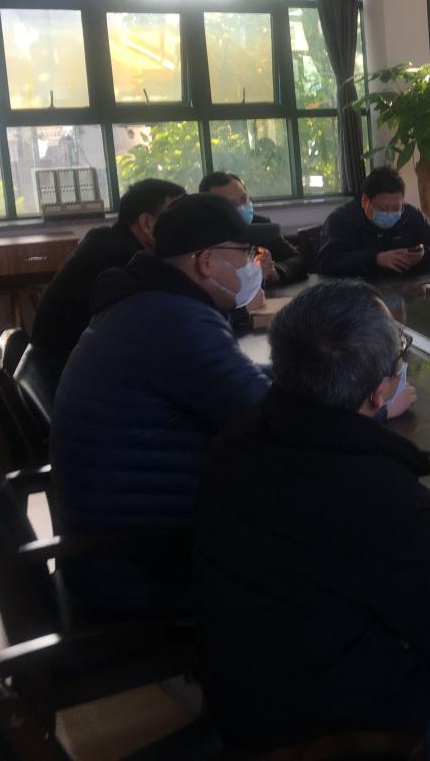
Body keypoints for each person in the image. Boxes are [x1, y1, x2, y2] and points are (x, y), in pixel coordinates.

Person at [194, 279, 430, 760]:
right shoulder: (376, 486)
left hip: (238, 692)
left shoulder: (236, 440)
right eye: (400, 360)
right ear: (380, 392)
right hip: (332, 726)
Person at [49, 193, 281, 615]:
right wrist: (367, 403)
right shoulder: (176, 319)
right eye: (246, 253)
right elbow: (273, 417)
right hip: (145, 567)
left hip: (114, 547)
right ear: (206, 261)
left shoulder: (147, 301)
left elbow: (241, 382)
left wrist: (308, 377)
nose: (252, 264)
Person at [30, 178, 185, 390]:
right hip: (72, 384)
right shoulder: (124, 262)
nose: (187, 227)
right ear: (147, 224)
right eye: (179, 218)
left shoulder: (105, 240)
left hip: (57, 375)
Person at [317, 166, 430, 278]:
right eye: (383, 208)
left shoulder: (411, 216)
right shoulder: (341, 220)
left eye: (396, 208)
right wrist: (375, 259)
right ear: (364, 201)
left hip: (408, 288)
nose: (390, 213)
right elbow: (327, 263)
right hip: (359, 292)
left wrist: (425, 256)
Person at [199, 171, 307, 286]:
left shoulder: (260, 226)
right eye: (230, 204)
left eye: (243, 199)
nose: (241, 207)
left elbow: (298, 259)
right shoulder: (200, 237)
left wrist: (274, 271)